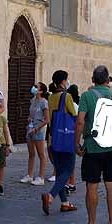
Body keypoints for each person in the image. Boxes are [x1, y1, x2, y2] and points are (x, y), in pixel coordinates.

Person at [74, 66, 112, 224]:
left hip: (92, 147)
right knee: (111, 184)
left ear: (93, 79)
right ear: (108, 80)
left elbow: (80, 122)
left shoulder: (86, 96)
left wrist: (77, 142)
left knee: (92, 185)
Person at [43, 73, 79, 215]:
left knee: (59, 171)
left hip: (53, 137)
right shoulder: (66, 96)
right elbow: (73, 115)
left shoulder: (50, 97)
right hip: (65, 138)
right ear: (63, 81)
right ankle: (50, 195)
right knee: (68, 170)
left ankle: (65, 203)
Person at [20, 82, 49, 185]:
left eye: (36, 87)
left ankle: (41, 177)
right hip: (31, 128)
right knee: (31, 153)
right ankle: (30, 175)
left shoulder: (44, 102)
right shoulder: (32, 101)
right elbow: (31, 114)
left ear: (41, 91)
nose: (34, 88)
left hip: (39, 130)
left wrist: (36, 128)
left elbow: (46, 119)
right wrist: (29, 120)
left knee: (41, 154)